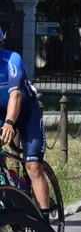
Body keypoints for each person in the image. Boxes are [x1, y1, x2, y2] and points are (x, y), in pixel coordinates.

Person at [0, 27, 49, 218]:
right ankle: (12, 194)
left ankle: (45, 226)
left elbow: (16, 95)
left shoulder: (12, 60)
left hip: (26, 112)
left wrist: (10, 123)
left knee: (33, 166)